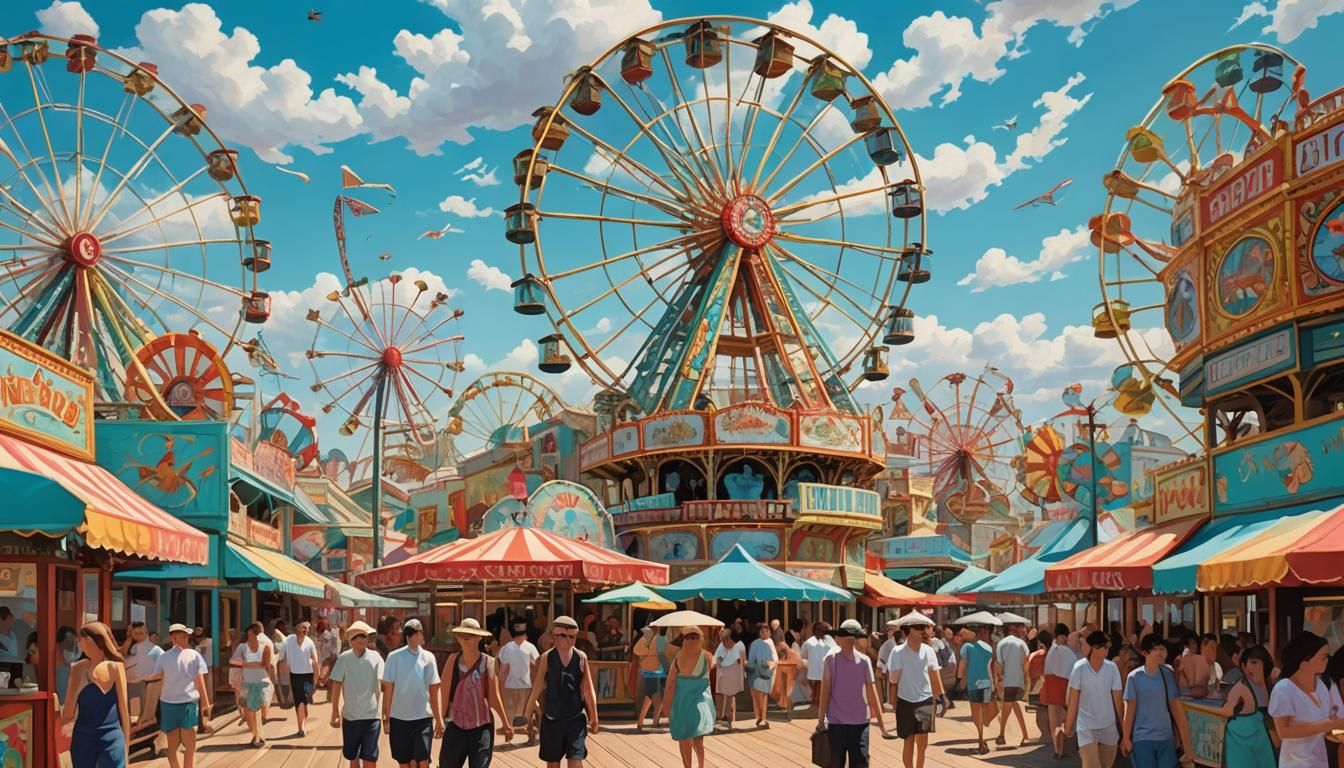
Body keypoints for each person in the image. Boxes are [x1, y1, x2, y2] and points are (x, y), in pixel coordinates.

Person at [524, 616, 599, 768]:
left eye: (573, 636)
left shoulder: (581, 657)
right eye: (565, 636)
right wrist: (527, 714)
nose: (570, 640)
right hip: (552, 719)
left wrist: (594, 715)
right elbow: (537, 687)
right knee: (552, 763)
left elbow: (588, 688)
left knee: (576, 759)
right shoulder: (546, 658)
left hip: (575, 718)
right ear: (555, 637)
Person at [439, 618, 513, 768]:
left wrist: (506, 723)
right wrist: (439, 720)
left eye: (471, 635)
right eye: (463, 635)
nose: (466, 638)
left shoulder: (489, 662)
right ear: (458, 638)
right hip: (456, 725)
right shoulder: (452, 660)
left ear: (479, 638)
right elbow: (444, 693)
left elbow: (494, 697)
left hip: (481, 727)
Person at [818, 620, 892, 767]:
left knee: (860, 763)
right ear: (838, 638)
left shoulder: (864, 661)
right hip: (836, 722)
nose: (849, 639)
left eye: (854, 636)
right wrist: (821, 720)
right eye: (846, 635)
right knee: (835, 764)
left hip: (860, 723)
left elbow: (872, 693)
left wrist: (882, 725)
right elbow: (825, 691)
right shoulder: (830, 660)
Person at [1270, 631, 1344, 768]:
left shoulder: (1321, 686)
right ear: (1304, 663)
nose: (1328, 660)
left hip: (1319, 761)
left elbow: (1326, 724)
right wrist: (1326, 725)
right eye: (1324, 657)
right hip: (1295, 763)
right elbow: (1283, 731)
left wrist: (1335, 730)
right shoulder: (1284, 689)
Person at [60, 622, 129, 768]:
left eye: (82, 638)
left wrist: (126, 749)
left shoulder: (115, 667)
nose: (79, 642)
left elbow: (124, 711)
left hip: (105, 738)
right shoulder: (79, 669)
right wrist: (77, 684)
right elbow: (67, 715)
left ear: (92, 640)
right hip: (86, 740)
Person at [1120, 634, 1193, 768]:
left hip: (1166, 738)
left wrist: (1187, 746)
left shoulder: (1168, 675)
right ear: (1145, 652)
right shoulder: (1134, 677)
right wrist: (1125, 739)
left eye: (1162, 648)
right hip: (1142, 738)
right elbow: (1129, 711)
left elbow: (1178, 712)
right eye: (1155, 649)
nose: (1160, 652)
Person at [1057, 630, 1123, 768]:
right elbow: (1073, 700)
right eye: (1105, 647)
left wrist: (1125, 731)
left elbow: (1118, 701)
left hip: (1108, 726)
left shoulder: (1112, 668)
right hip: (1086, 727)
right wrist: (1068, 727)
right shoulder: (1079, 668)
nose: (1107, 650)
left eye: (1108, 647)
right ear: (1094, 648)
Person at [148, 624, 210, 768]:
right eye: (179, 636)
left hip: (179, 702)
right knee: (183, 745)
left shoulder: (168, 656)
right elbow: (199, 680)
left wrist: (205, 703)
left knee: (180, 745)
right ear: (172, 638)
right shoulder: (190, 655)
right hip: (179, 703)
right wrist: (205, 703)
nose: (183, 639)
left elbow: (199, 680)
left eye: (184, 636)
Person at [381, 618, 441, 768]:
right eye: (409, 634)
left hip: (423, 718)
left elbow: (434, 690)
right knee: (404, 762)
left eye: (416, 633)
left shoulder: (429, 658)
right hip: (399, 718)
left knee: (423, 760)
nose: (413, 636)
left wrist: (439, 719)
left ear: (421, 634)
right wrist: (386, 717)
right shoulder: (393, 657)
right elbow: (388, 688)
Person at [888, 618, 943, 768]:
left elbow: (934, 674)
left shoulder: (928, 650)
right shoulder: (897, 651)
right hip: (905, 700)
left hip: (925, 699)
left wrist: (941, 697)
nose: (922, 631)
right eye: (918, 628)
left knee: (923, 742)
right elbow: (893, 679)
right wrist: (893, 702)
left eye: (924, 627)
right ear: (907, 631)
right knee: (908, 739)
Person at [330, 621, 384, 768]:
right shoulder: (344, 658)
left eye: (363, 636)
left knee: (370, 758)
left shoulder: (376, 658)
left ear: (367, 639)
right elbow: (336, 684)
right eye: (356, 637)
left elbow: (386, 683)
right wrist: (335, 711)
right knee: (353, 758)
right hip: (350, 716)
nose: (360, 639)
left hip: (372, 717)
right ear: (350, 640)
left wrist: (386, 712)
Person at [660, 625, 715, 768]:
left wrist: (666, 703)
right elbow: (712, 670)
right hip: (700, 704)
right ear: (701, 639)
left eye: (691, 637)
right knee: (698, 739)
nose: (690, 640)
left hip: (681, 704)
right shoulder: (707, 656)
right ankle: (701, 765)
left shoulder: (678, 657)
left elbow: (671, 682)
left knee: (684, 739)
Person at [1217, 643, 1276, 768]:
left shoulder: (1270, 684)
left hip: (1262, 742)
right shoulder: (1240, 688)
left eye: (1254, 662)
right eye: (1246, 664)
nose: (1250, 668)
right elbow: (1226, 712)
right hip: (1240, 743)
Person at [959, 624, 998, 755]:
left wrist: (960, 677)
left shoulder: (966, 647)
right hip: (987, 683)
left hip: (973, 684)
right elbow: (990, 667)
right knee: (990, 710)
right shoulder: (988, 647)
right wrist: (994, 684)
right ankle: (982, 738)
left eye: (964, 632)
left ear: (972, 633)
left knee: (977, 713)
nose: (962, 634)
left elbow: (961, 669)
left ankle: (981, 742)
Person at [498, 621, 541, 740]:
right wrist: (536, 683)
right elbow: (536, 667)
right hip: (526, 685)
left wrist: (500, 686)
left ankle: (510, 733)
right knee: (528, 711)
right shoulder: (530, 647)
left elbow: (503, 670)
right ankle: (531, 732)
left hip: (510, 685)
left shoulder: (507, 648)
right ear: (525, 634)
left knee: (510, 712)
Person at [1044, 623, 1079, 758]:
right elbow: (1074, 671)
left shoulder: (1051, 650)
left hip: (1051, 686)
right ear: (1064, 636)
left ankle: (1056, 749)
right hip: (1064, 687)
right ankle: (1062, 748)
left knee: (1054, 721)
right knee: (1065, 718)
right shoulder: (1067, 652)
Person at [995, 618, 1031, 746]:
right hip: (1019, 681)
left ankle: (1002, 734)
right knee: (1014, 707)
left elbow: (999, 664)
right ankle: (1023, 735)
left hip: (1007, 681)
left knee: (1007, 708)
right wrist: (1025, 677)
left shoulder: (1001, 644)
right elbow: (1027, 661)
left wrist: (998, 681)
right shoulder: (1022, 644)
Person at [236, 622, 273, 747]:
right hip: (252, 680)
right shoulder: (265, 643)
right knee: (250, 707)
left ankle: (256, 735)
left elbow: (266, 664)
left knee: (250, 708)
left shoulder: (260, 645)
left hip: (252, 681)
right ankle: (256, 735)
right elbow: (267, 666)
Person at [282, 620, 321, 737]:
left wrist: (315, 681)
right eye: (303, 627)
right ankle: (301, 728)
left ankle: (304, 712)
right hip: (295, 675)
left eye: (307, 628)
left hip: (308, 675)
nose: (306, 630)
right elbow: (282, 659)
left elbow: (315, 662)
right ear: (296, 627)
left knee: (305, 700)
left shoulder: (309, 643)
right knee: (299, 701)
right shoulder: (288, 640)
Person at [120, 621, 162, 718]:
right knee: (133, 711)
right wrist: (130, 637)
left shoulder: (155, 649)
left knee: (142, 711)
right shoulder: (134, 646)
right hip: (131, 682)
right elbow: (123, 654)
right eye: (135, 633)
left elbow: (163, 666)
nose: (138, 635)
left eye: (141, 633)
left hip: (146, 683)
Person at [633, 625, 669, 731]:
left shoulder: (653, 637)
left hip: (651, 670)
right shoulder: (661, 638)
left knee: (650, 696)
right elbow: (662, 654)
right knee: (657, 696)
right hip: (659, 670)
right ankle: (654, 721)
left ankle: (643, 720)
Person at [712, 629, 745, 730]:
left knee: (730, 695)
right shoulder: (722, 646)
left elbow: (742, 659)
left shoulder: (739, 646)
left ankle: (728, 717)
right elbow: (717, 657)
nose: (724, 642)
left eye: (726, 639)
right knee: (722, 694)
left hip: (733, 675)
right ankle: (722, 716)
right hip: (723, 675)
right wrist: (719, 660)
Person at [802, 622, 838, 709]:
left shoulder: (809, 642)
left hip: (815, 672)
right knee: (821, 690)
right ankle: (819, 706)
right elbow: (836, 652)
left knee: (817, 689)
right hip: (824, 671)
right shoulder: (829, 640)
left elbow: (803, 655)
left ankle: (816, 706)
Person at [747, 623, 777, 728]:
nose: (764, 633)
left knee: (763, 696)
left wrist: (770, 665)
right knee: (758, 695)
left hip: (767, 672)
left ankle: (762, 717)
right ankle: (760, 717)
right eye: (762, 631)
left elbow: (774, 658)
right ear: (759, 633)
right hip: (757, 672)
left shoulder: (770, 643)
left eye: (766, 630)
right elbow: (752, 659)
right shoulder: (755, 644)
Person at [271, 619, 292, 708]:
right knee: (281, 681)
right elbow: (277, 650)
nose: (284, 627)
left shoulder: (287, 637)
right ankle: (284, 701)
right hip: (281, 663)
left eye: (284, 626)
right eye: (281, 626)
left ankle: (287, 701)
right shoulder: (277, 636)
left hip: (288, 663)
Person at [316, 618, 341, 689]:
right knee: (326, 669)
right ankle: (319, 681)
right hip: (329, 654)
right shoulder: (326, 633)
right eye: (326, 624)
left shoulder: (321, 633)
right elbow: (334, 639)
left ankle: (324, 682)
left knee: (328, 669)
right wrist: (332, 630)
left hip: (325, 653)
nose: (328, 624)